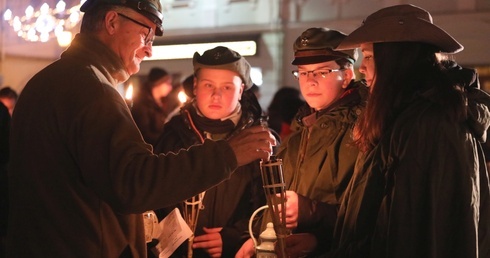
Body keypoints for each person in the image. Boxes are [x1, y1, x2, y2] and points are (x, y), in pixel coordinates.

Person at [6, 0, 276, 257]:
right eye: (146, 35)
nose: (149, 49)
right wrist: (227, 155)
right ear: (112, 21)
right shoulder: (92, 89)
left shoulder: (48, 80)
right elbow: (134, 182)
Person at [327, 4, 490, 258]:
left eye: (368, 56)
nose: (361, 67)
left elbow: (413, 236)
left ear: (395, 58)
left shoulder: (429, 124)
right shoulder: (402, 117)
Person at [236, 27, 368, 258]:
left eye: (322, 72)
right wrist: (260, 237)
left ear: (347, 76)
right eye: (304, 73)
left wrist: (315, 231)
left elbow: (372, 216)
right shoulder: (301, 127)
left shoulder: (362, 129)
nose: (311, 82)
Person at [150, 46, 271, 258]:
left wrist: (237, 237)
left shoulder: (260, 141)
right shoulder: (172, 135)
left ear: (241, 90)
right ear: (195, 86)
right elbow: (153, 194)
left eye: (226, 87)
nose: (216, 95)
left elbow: (270, 206)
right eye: (208, 85)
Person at [131, 67, 175, 146]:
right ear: (158, 83)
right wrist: (167, 141)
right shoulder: (141, 105)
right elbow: (144, 134)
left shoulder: (165, 102)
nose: (170, 87)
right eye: (167, 83)